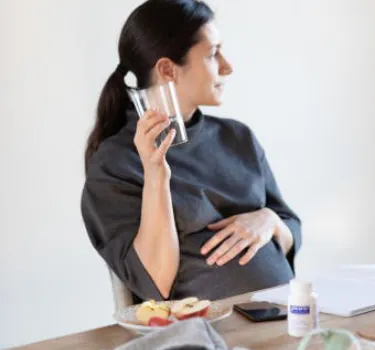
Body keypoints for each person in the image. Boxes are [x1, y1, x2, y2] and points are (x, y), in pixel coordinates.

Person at [81, 0, 302, 303]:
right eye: (213, 54)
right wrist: (156, 172)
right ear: (168, 69)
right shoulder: (115, 163)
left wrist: (269, 220)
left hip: (286, 319)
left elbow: (289, 226)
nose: (228, 66)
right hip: (200, 333)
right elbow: (153, 281)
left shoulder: (238, 137)